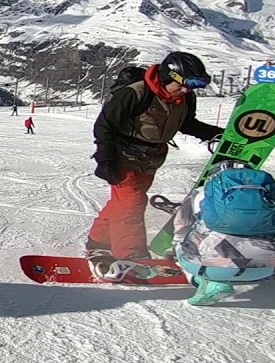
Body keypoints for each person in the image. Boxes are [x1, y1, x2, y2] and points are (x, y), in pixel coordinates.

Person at [85, 52, 222, 266]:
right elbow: (105, 125)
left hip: (151, 159)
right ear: (169, 76)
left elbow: (186, 124)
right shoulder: (136, 93)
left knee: (123, 202)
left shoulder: (184, 98)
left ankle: (98, 242)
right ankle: (131, 255)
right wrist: (105, 159)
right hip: (124, 156)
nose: (186, 90)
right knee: (131, 203)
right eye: (183, 85)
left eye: (192, 86)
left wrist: (215, 133)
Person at [171, 162, 275, 305]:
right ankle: (260, 271)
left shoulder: (202, 192)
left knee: (185, 248)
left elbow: (182, 225)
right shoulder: (269, 196)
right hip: (271, 265)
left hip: (217, 264)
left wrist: (177, 247)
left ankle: (209, 282)